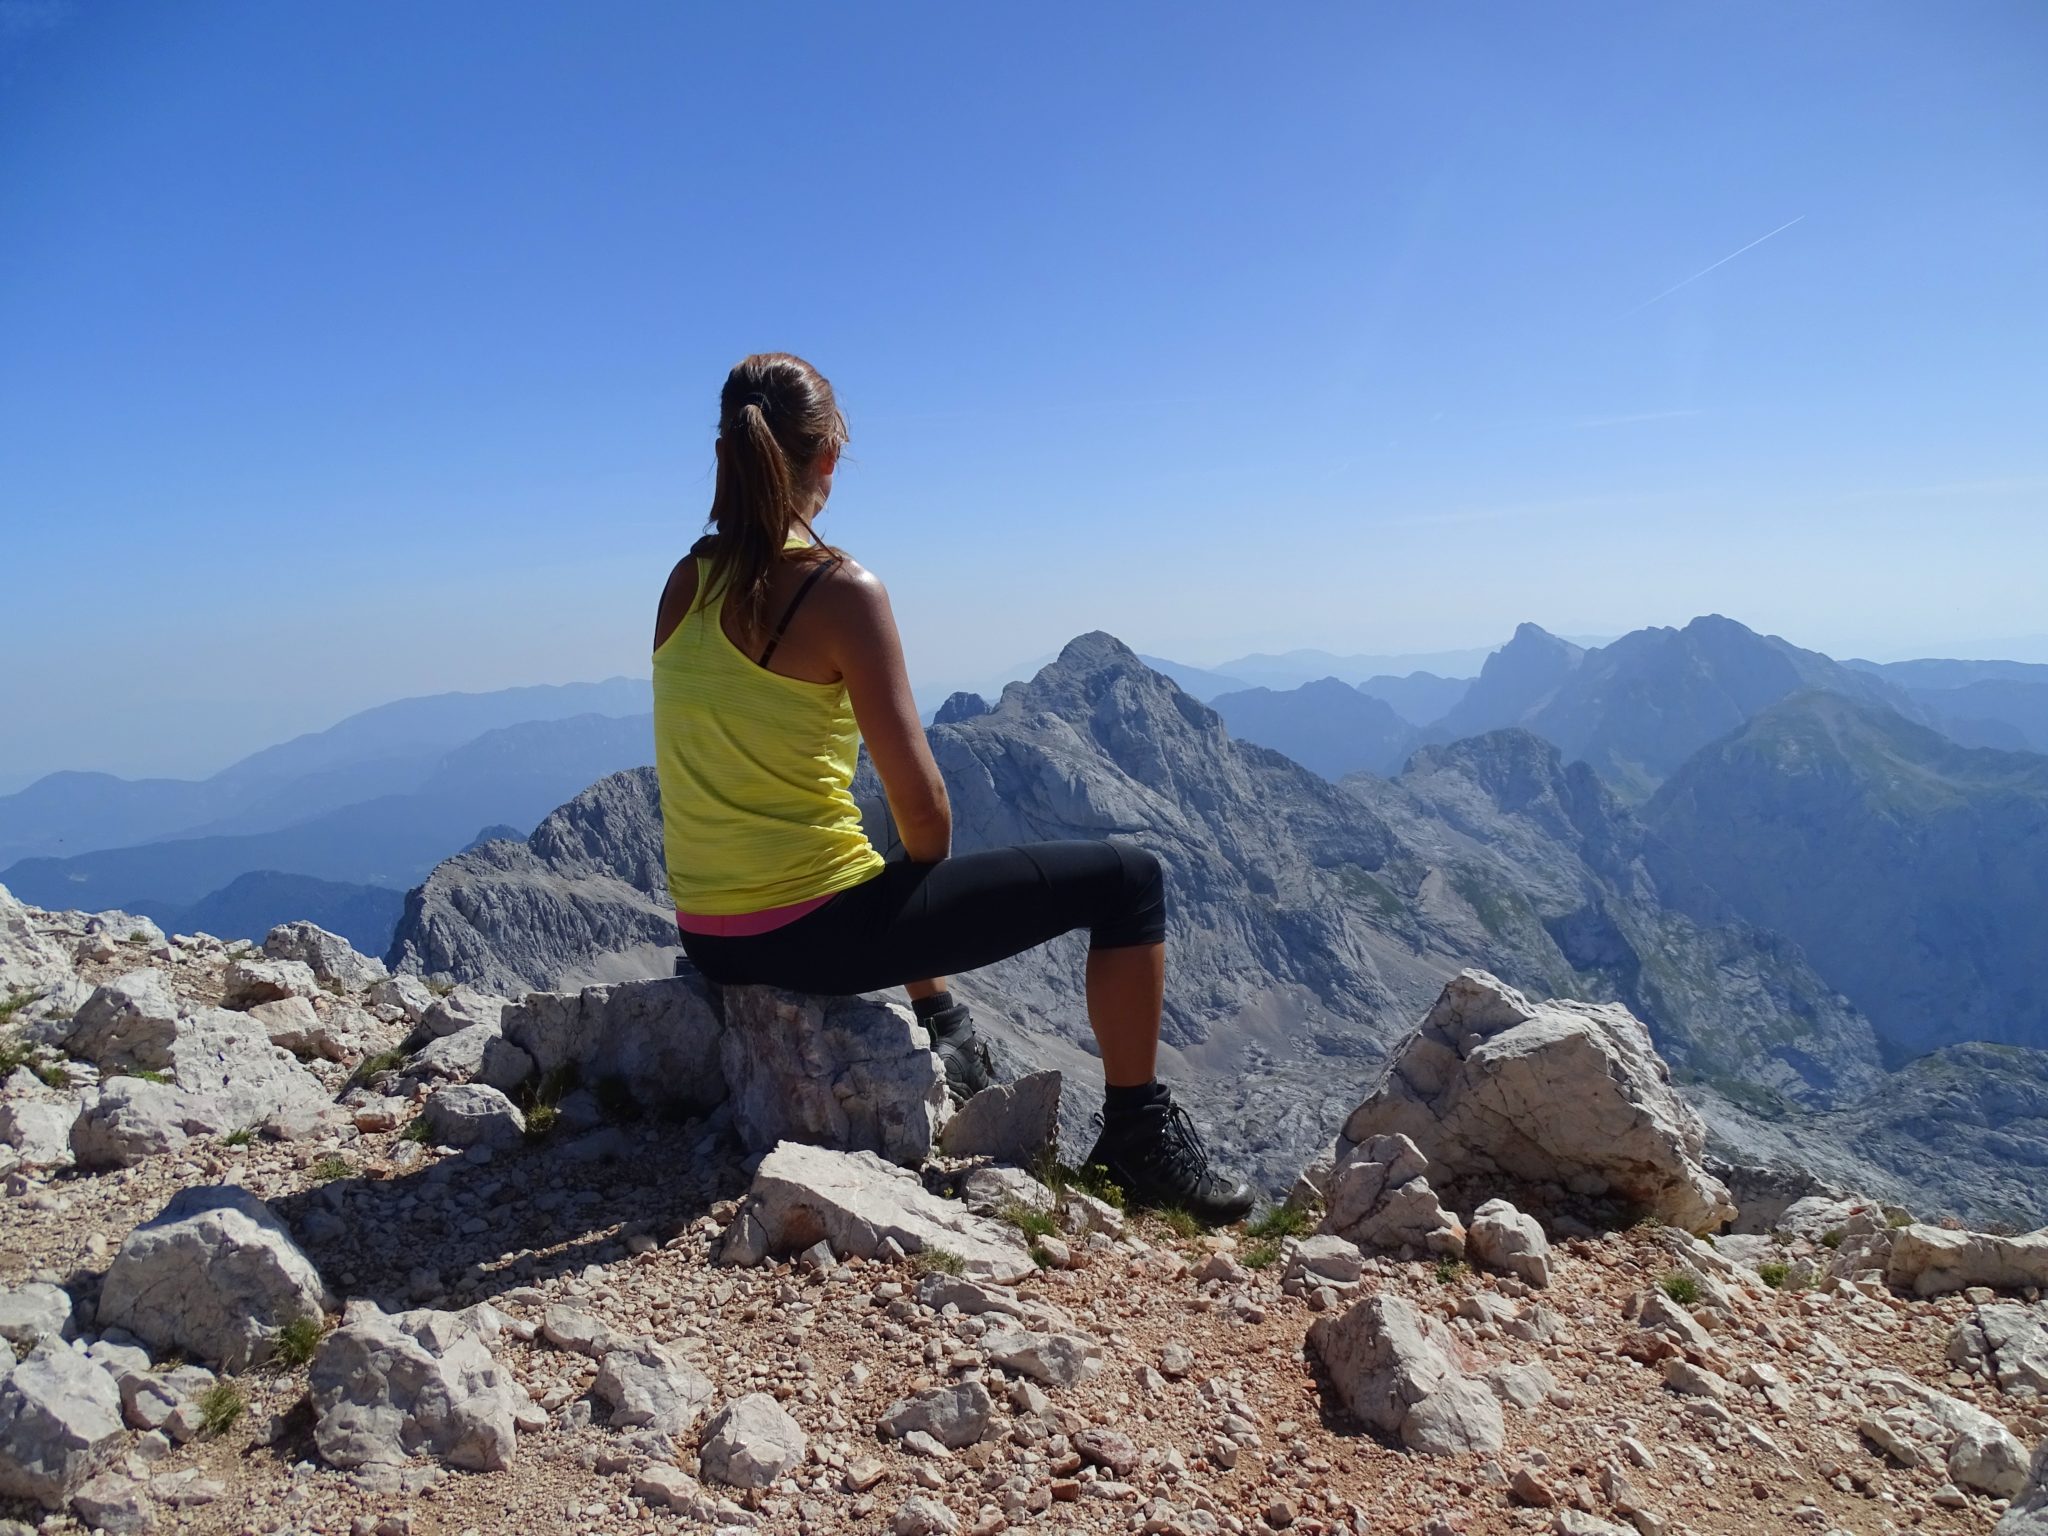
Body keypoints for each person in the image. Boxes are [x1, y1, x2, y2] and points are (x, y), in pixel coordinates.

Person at [651, 352, 1254, 1223]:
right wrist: (912, 906)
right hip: (811, 938)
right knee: (1130, 881)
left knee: (874, 856)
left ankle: (941, 1011)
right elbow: (927, 813)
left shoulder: (683, 583)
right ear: (826, 460)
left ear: (727, 454)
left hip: (710, 936)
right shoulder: (839, 590)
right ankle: (1138, 1135)